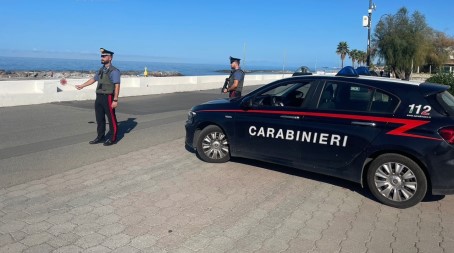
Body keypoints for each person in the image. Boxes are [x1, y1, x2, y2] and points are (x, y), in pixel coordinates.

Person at [76, 48, 121, 146]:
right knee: (99, 118)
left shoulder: (114, 71)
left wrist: (115, 99)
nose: (102, 58)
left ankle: (113, 138)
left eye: (104, 56)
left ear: (110, 58)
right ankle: (100, 137)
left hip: (108, 97)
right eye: (102, 56)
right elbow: (93, 79)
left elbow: (117, 85)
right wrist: (82, 86)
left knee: (111, 118)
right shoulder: (101, 70)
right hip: (99, 96)